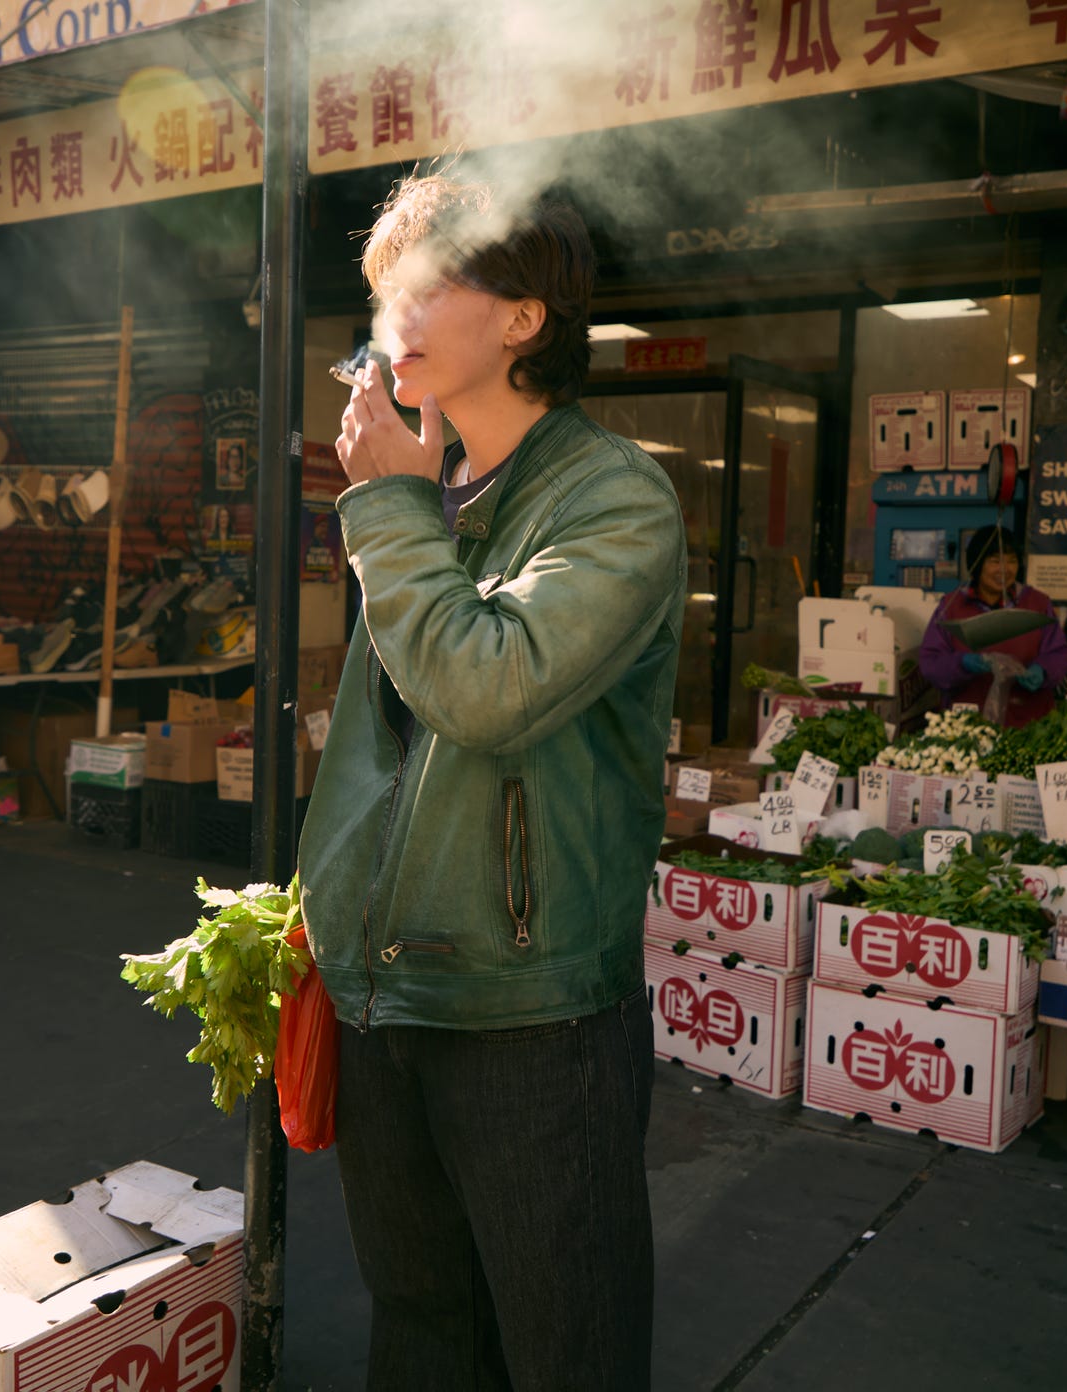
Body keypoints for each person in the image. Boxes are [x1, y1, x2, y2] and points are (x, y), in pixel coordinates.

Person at [299, 174, 685, 1390]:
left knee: (564, 1349)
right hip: (386, 995)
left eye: (427, 283)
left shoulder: (613, 497)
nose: (391, 314)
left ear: (523, 317)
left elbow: (484, 689)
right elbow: (382, 743)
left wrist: (388, 509)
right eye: (383, 291)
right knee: (419, 1330)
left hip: (531, 1013)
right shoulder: (428, 496)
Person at [917, 524, 1067, 727]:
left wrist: (1043, 670)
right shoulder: (951, 606)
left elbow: (1059, 652)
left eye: (1011, 561)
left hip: (1029, 722)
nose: (1004, 569)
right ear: (977, 563)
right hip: (965, 724)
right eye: (995, 561)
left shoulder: (1037, 603)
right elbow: (931, 663)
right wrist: (962, 663)